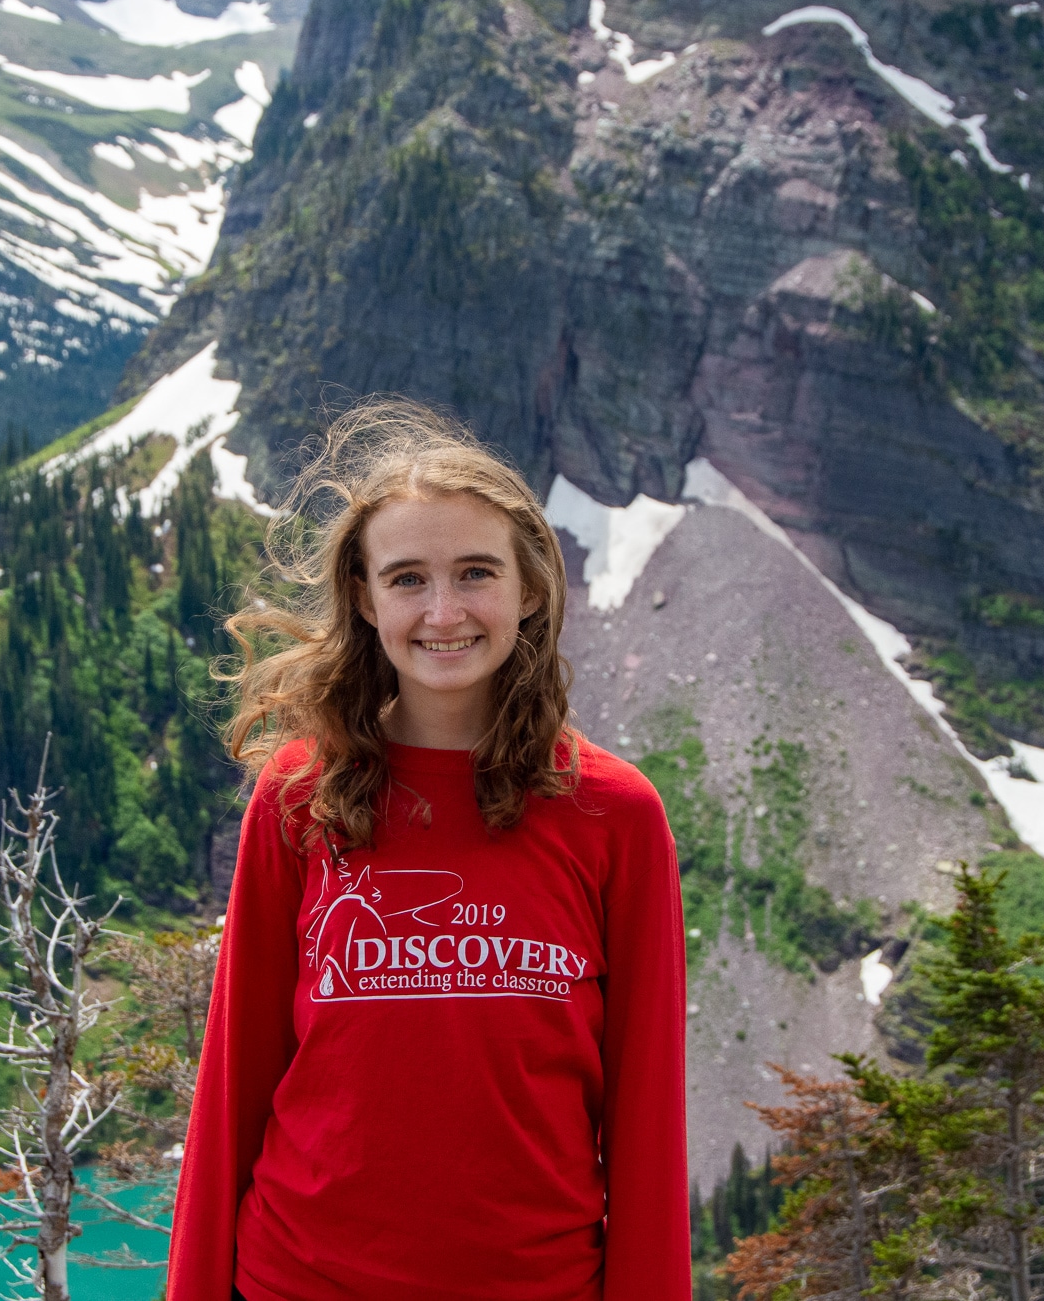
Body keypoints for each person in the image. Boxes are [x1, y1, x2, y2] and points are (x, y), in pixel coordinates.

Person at [167, 402, 689, 1301]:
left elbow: (647, 1118)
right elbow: (233, 1083)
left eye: (475, 572)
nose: (443, 612)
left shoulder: (615, 813)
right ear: (365, 599)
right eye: (407, 578)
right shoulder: (299, 794)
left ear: (531, 588)